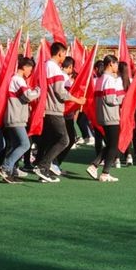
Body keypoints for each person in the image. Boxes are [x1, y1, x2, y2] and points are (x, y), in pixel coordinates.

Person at [33, 42, 86, 183]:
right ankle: (42, 165)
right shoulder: (54, 68)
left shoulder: (45, 65)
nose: (65, 56)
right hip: (54, 109)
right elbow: (61, 93)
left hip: (47, 108)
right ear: (60, 53)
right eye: (65, 53)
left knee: (51, 141)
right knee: (64, 140)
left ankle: (43, 171)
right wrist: (77, 100)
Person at [0, 56, 40, 184]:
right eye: (30, 69)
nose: (30, 72)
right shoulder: (17, 79)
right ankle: (5, 167)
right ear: (25, 67)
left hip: (16, 117)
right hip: (15, 117)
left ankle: (10, 170)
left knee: (16, 145)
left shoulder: (17, 80)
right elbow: (28, 96)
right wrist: (39, 90)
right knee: (25, 144)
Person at [86, 55, 123, 182]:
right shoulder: (109, 79)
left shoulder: (101, 79)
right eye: (116, 64)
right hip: (110, 115)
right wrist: (123, 98)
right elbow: (110, 99)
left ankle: (95, 165)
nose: (117, 67)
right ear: (111, 64)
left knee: (110, 144)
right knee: (113, 145)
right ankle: (105, 172)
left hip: (102, 114)